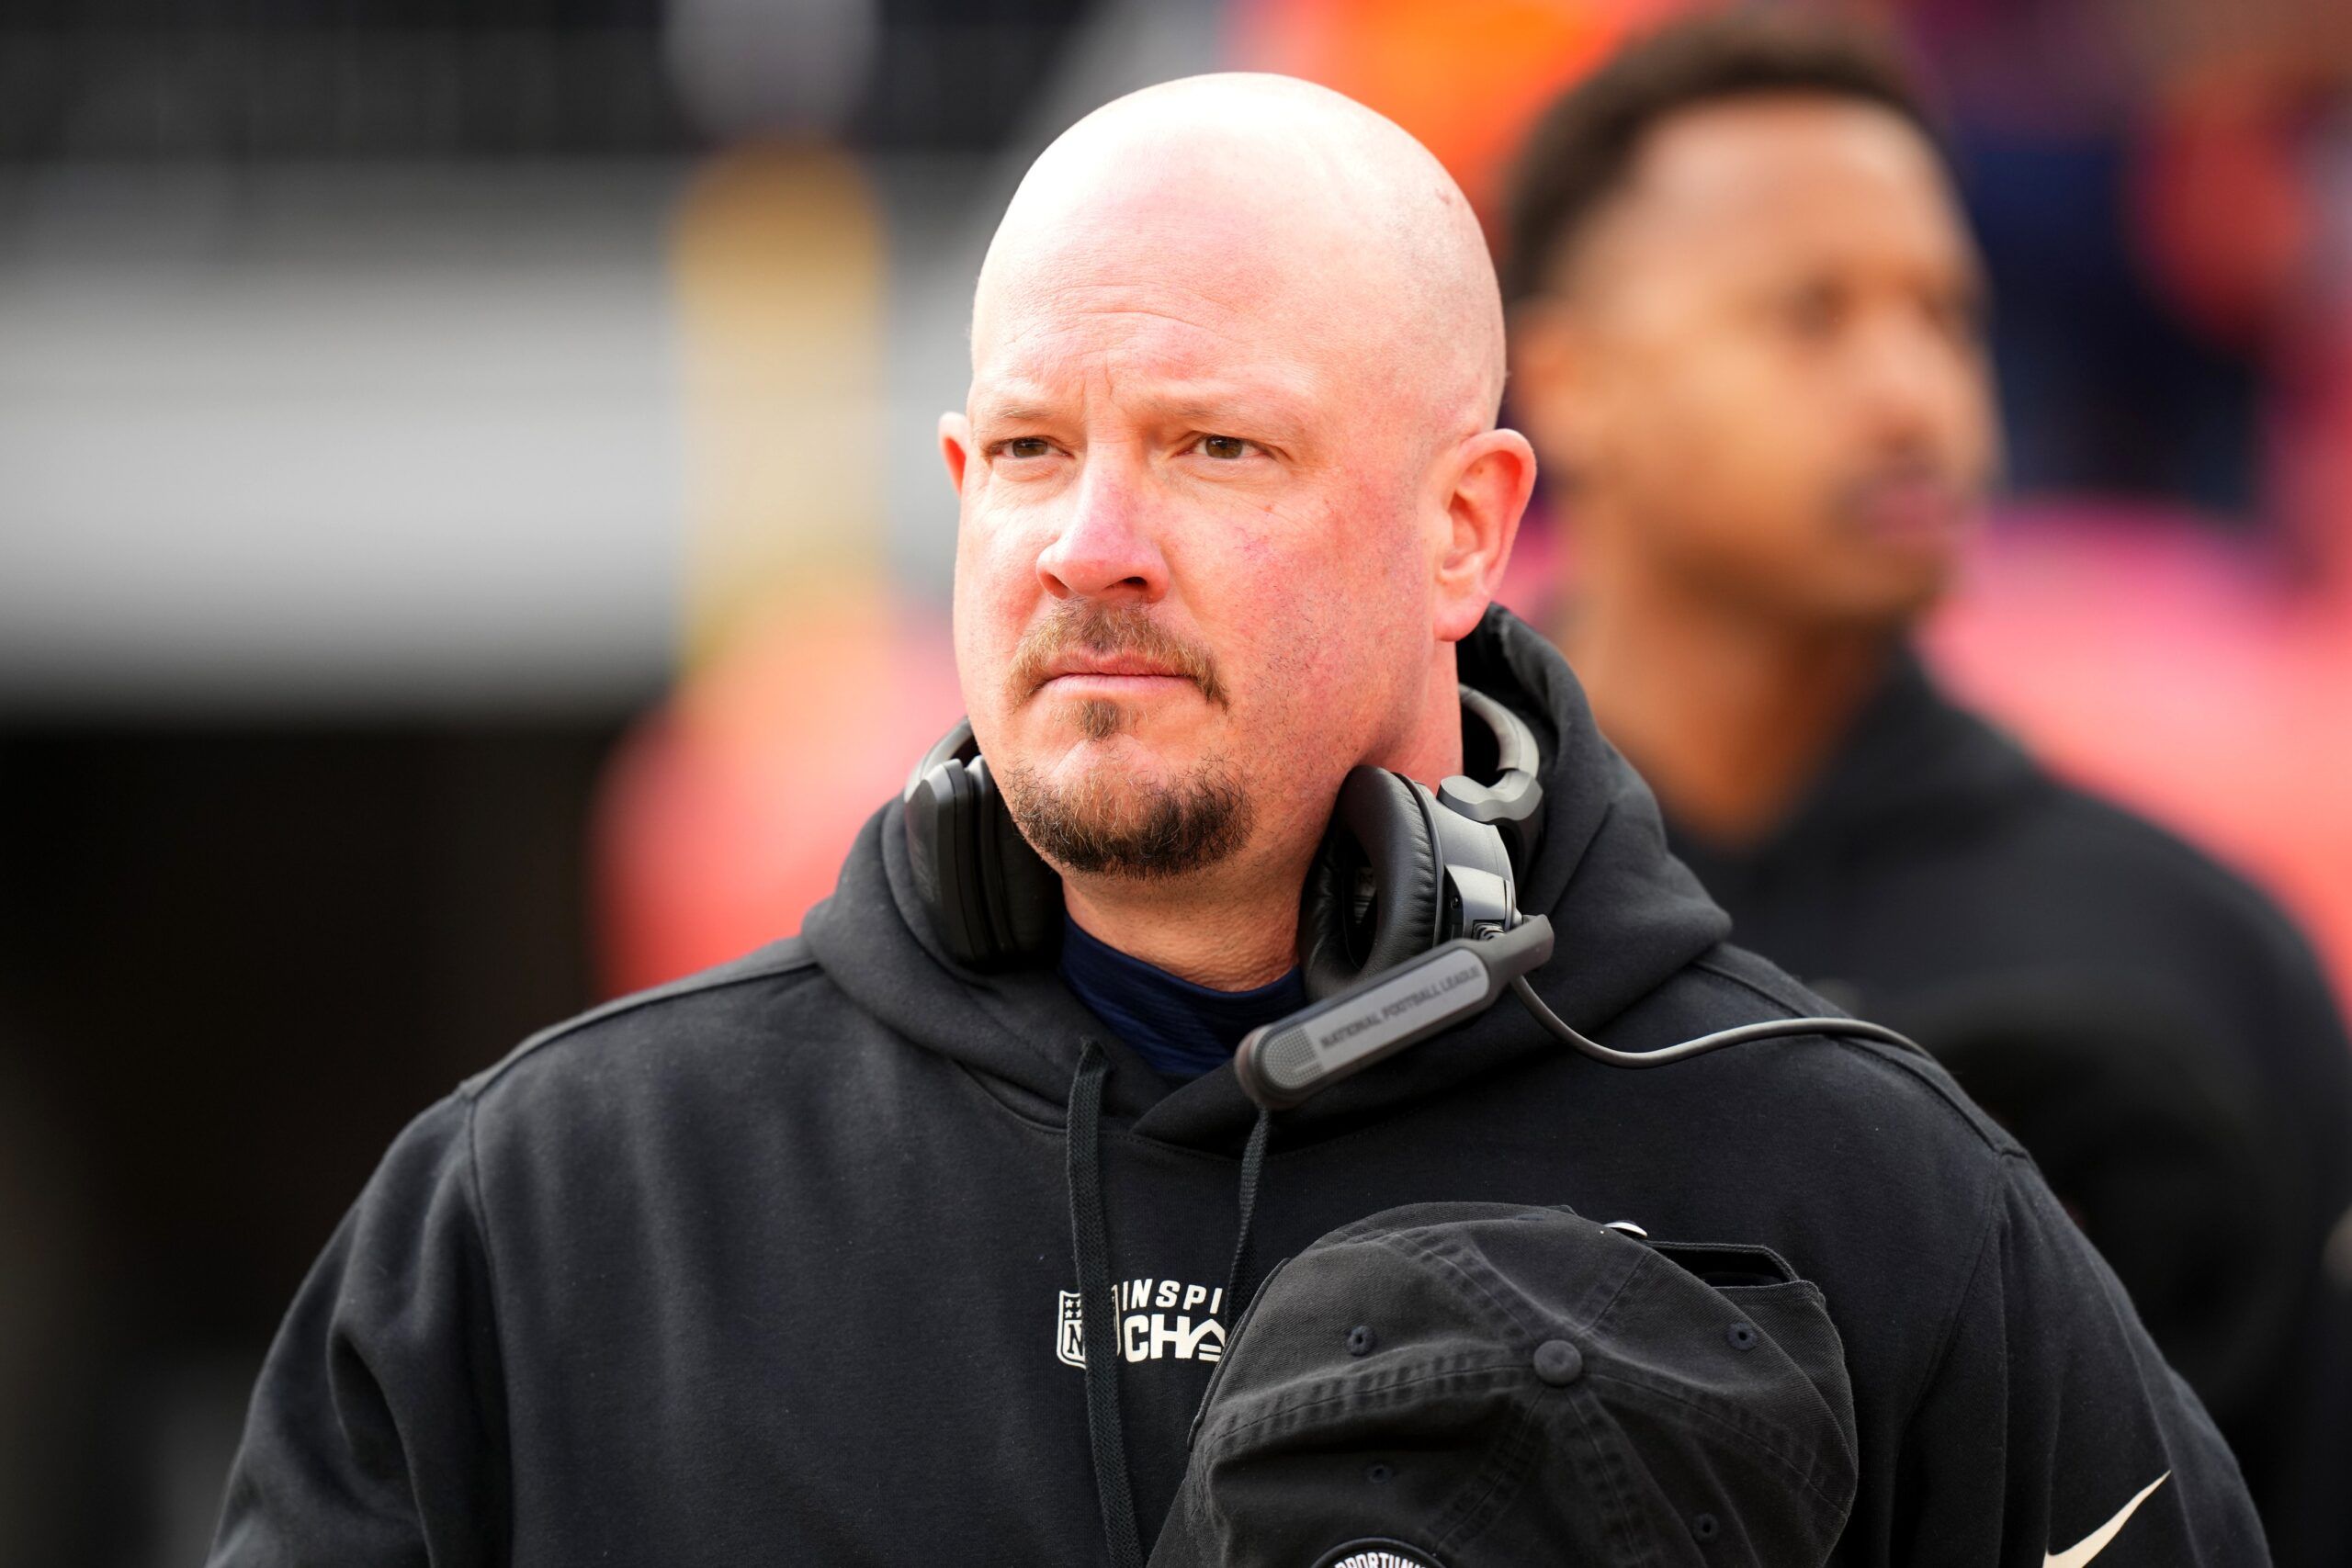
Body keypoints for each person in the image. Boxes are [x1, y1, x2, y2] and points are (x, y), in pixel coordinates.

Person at [210, 73, 2262, 1566]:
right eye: (1028, 448)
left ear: (1467, 527)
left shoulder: (1856, 1177)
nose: (1088, 544)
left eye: (1213, 445)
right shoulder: (547, 1205)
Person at [1501, 16, 2352, 1564]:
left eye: (1946, 318)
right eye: (1810, 315)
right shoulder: (1378, 914)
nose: (1911, 394)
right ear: (1572, 381)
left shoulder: (2196, 950)